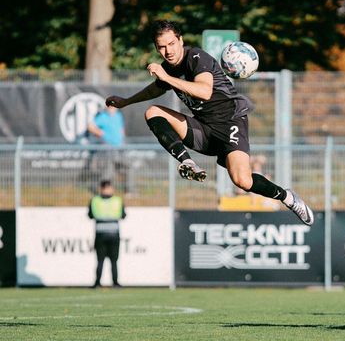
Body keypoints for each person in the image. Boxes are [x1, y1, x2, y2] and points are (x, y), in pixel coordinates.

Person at [105, 20, 313, 225]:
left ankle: (288, 198)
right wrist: (126, 102)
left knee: (242, 180)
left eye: (171, 44)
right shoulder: (169, 68)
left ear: (181, 40)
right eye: (161, 47)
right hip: (203, 129)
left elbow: (204, 91)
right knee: (153, 112)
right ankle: (187, 162)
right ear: (156, 48)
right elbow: (155, 89)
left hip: (230, 121)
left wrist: (166, 77)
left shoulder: (196, 57)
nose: (168, 51)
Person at [88, 180, 126, 288]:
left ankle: (97, 283)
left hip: (100, 234)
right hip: (114, 234)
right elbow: (123, 215)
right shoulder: (117, 200)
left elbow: (90, 215)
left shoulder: (95, 200)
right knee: (114, 260)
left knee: (100, 260)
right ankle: (115, 283)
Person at [87, 105, 129, 191]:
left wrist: (122, 138)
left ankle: (129, 190)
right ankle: (102, 190)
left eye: (114, 106)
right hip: (108, 148)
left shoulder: (118, 115)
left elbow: (121, 129)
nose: (112, 108)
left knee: (128, 167)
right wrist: (100, 133)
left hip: (119, 148)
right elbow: (90, 126)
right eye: (110, 106)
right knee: (108, 171)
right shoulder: (103, 116)